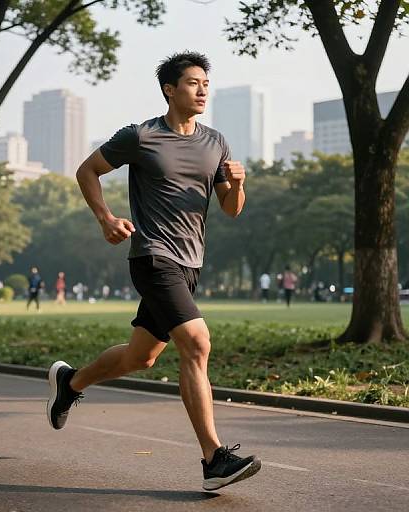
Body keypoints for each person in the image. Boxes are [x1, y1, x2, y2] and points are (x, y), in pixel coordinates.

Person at [46, 52, 261, 491]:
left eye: (206, 82)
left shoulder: (216, 142)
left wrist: (237, 184)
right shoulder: (141, 136)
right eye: (193, 83)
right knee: (197, 344)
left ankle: (71, 382)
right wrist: (106, 218)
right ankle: (213, 459)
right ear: (170, 89)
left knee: (140, 356)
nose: (202, 90)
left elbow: (231, 209)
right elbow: (87, 170)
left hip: (190, 263)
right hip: (152, 257)